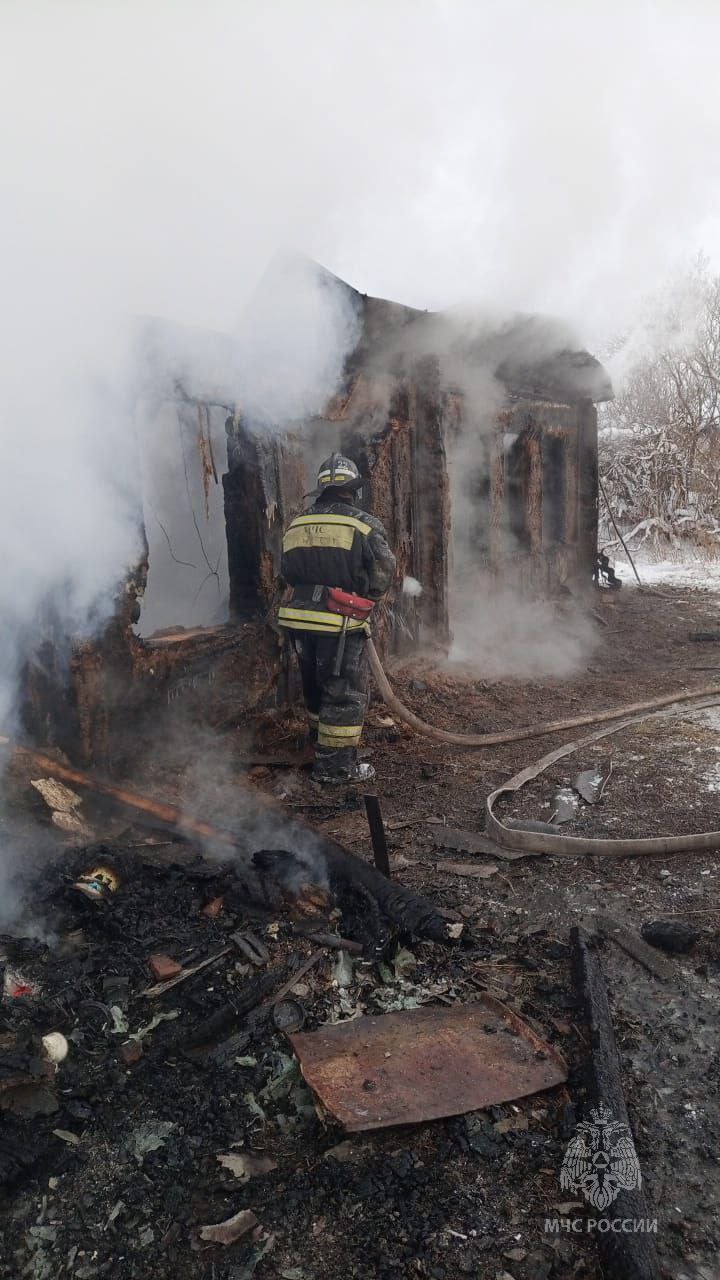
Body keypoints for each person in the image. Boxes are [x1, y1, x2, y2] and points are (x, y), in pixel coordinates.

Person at [277, 453, 396, 783]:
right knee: (342, 693)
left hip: (299, 621)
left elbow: (286, 571)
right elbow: (384, 571)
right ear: (351, 490)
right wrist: (365, 598)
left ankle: (319, 746)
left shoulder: (297, 523)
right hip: (339, 622)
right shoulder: (363, 524)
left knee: (314, 686)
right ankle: (335, 770)